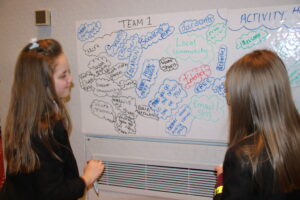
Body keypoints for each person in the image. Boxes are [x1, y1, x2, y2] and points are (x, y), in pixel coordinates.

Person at [0, 39, 105, 200]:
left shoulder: (21, 119)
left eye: (68, 72)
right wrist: (87, 178)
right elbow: (53, 194)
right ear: (42, 84)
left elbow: (41, 180)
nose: (70, 80)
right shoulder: (47, 128)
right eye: (63, 75)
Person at [214, 49, 300, 200]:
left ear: (242, 99)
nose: (229, 100)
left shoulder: (243, 156)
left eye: (229, 93)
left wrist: (221, 180)